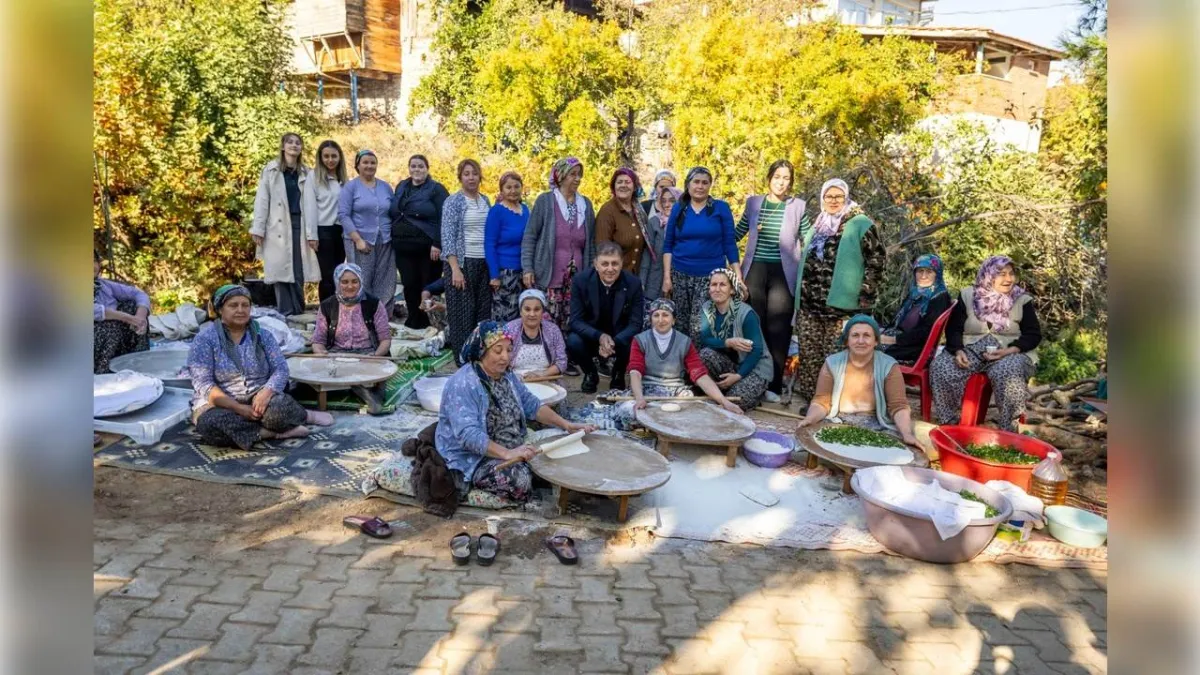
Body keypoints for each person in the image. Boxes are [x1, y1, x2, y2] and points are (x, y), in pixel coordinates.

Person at [435, 321, 595, 502]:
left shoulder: (507, 375)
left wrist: (567, 425)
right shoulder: (464, 384)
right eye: (498, 351)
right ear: (481, 351)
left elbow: (531, 405)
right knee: (521, 481)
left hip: (513, 442)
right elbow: (468, 435)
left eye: (509, 350)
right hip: (476, 456)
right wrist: (507, 454)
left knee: (562, 443)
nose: (505, 357)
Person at [187, 285, 334, 451]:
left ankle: (305, 415)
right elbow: (204, 383)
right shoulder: (205, 339)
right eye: (233, 305)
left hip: (259, 397)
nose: (240, 310)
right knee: (208, 424)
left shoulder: (263, 335)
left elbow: (280, 369)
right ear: (220, 309)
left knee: (279, 408)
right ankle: (271, 433)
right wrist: (238, 408)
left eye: (245, 305)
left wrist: (266, 392)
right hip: (222, 403)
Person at [791, 178, 886, 403]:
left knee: (834, 358)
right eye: (829, 196)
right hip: (809, 305)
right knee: (809, 355)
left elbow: (877, 261)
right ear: (822, 198)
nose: (833, 201)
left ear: (846, 197)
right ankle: (812, 401)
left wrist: (866, 297)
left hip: (840, 308)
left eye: (838, 196)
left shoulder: (860, 223)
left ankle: (832, 403)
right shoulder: (819, 224)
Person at [931, 256, 1041, 431]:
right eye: (1002, 274)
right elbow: (953, 329)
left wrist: (1010, 350)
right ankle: (949, 424)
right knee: (942, 366)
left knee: (1008, 372)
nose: (1008, 279)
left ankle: (1009, 431)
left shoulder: (1022, 300)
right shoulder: (968, 295)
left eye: (1011, 274)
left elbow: (1033, 335)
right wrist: (958, 350)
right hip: (971, 350)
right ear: (988, 275)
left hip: (1011, 353)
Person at [609, 298, 742, 428]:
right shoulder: (640, 340)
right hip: (646, 390)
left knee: (698, 416)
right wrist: (639, 398)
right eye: (656, 315)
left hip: (675, 392)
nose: (661, 320)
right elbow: (635, 372)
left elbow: (699, 375)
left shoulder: (684, 342)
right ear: (650, 319)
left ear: (674, 320)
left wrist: (724, 402)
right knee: (627, 412)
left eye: (666, 315)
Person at [736, 159, 808, 400]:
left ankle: (774, 386)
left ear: (791, 182)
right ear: (769, 178)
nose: (781, 182)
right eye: (777, 176)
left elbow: (810, 239)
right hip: (755, 271)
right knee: (754, 326)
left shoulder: (799, 206)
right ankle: (752, 379)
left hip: (783, 274)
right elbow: (737, 233)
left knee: (778, 331)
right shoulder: (754, 203)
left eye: (786, 178)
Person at [796, 315, 920, 447]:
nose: (861, 341)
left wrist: (907, 434)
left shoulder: (889, 366)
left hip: (876, 424)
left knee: (894, 449)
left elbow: (898, 406)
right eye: (855, 335)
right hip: (836, 422)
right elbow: (821, 402)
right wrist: (810, 419)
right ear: (846, 341)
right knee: (809, 440)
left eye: (867, 335)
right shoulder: (832, 363)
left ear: (876, 341)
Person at [520, 157, 597, 336]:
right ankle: (547, 358)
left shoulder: (585, 204)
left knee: (572, 319)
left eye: (579, 175)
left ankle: (566, 359)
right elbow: (530, 236)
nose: (577, 179)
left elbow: (591, 242)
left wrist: (591, 272)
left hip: (576, 276)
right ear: (561, 176)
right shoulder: (545, 201)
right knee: (547, 321)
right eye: (573, 174)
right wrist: (527, 268)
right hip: (549, 273)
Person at [661, 167, 740, 339]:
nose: (700, 186)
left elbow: (730, 245)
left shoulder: (721, 208)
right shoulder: (678, 209)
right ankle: (681, 364)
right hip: (680, 274)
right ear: (688, 185)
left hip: (709, 277)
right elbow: (668, 246)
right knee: (679, 323)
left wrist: (738, 277)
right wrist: (667, 278)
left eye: (705, 182)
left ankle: (698, 364)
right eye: (696, 182)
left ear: (710, 185)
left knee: (699, 326)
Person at [251, 132, 320, 315]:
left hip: (299, 223)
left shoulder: (307, 173)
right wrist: (258, 228)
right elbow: (262, 200)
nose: (294, 145)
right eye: (290, 142)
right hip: (276, 225)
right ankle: (285, 313)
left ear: (301, 148)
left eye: (298, 143)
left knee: (298, 270)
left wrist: (312, 234)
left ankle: (298, 311)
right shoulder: (271, 170)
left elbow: (312, 205)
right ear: (283, 146)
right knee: (279, 272)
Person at [310, 263, 393, 414]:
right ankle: (358, 387)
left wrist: (375, 356)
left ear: (361, 282)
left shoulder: (374, 304)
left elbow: (385, 339)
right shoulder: (327, 305)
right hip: (337, 356)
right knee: (311, 375)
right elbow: (318, 341)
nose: (350, 286)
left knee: (378, 375)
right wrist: (321, 353)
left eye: (355, 281)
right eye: (345, 282)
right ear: (337, 282)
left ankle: (366, 393)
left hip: (368, 355)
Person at [567, 242, 645, 394]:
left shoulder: (633, 283)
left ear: (622, 263)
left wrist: (613, 342)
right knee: (573, 341)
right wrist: (600, 336)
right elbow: (576, 321)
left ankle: (618, 374)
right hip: (592, 336)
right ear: (596, 264)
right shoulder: (580, 281)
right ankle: (590, 373)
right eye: (605, 264)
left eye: (615, 263)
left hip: (620, 338)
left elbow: (636, 324)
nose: (610, 269)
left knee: (635, 340)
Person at [696, 269, 773, 411]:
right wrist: (727, 342)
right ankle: (721, 392)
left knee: (734, 402)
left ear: (732, 290)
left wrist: (737, 376)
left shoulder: (745, 313)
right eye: (713, 285)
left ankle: (754, 392)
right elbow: (705, 339)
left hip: (754, 368)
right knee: (705, 355)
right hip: (730, 363)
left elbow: (756, 350)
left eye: (722, 285)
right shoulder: (707, 308)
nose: (717, 289)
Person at [441, 159, 493, 365]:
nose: (471, 177)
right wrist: (455, 268)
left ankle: (479, 356)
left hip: (483, 262)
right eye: (466, 174)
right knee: (462, 314)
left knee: (482, 312)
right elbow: (447, 237)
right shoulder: (453, 202)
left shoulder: (486, 201)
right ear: (460, 177)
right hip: (462, 262)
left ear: (480, 176)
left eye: (474, 173)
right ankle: (462, 360)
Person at [390, 154, 449, 330]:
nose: (417, 170)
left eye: (421, 166)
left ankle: (429, 323)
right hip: (403, 247)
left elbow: (444, 217)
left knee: (427, 285)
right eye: (413, 166)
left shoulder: (436, 189)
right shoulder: (402, 186)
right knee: (409, 285)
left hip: (428, 248)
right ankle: (414, 322)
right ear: (409, 168)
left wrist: (438, 243)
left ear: (427, 168)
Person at [338, 149, 396, 316]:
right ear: (358, 165)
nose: (369, 166)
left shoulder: (385, 187)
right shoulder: (351, 187)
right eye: (365, 162)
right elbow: (343, 215)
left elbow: (391, 211)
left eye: (373, 162)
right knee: (362, 279)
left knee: (385, 278)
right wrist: (357, 240)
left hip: (384, 239)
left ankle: (382, 315)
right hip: (360, 240)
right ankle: (362, 315)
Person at [880, 253, 953, 363]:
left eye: (929, 271)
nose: (923, 276)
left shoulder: (939, 297)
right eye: (920, 271)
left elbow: (926, 332)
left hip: (915, 348)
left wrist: (892, 340)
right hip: (901, 339)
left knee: (864, 348)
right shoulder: (915, 293)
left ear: (937, 274)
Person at [93, 251, 150, 373]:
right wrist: (126, 318)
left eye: (92, 261)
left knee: (134, 306)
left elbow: (138, 294)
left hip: (114, 338)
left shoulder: (103, 285)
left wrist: (140, 316)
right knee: (111, 324)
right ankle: (103, 371)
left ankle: (138, 362)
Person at [305, 140, 347, 303]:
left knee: (339, 273)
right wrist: (312, 235)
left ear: (339, 157)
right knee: (327, 275)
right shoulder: (314, 177)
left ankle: (339, 307)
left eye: (334, 156)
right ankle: (327, 311)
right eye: (326, 156)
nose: (330, 160)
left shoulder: (343, 178)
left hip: (341, 231)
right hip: (323, 230)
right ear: (321, 158)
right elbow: (309, 207)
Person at [485, 171, 530, 322]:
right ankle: (500, 346)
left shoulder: (526, 210)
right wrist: (494, 276)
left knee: (522, 316)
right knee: (504, 316)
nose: (513, 190)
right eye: (508, 187)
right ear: (502, 190)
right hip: (505, 274)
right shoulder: (497, 211)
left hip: (524, 272)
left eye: (516, 186)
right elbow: (489, 244)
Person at [595, 168, 654, 276]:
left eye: (627, 182)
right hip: (614, 277)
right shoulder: (608, 211)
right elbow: (602, 248)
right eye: (619, 182)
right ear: (614, 187)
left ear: (634, 187)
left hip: (636, 277)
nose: (623, 185)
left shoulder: (639, 210)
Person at [504, 289, 567, 380]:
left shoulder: (553, 330)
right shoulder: (509, 329)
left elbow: (562, 362)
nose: (532, 314)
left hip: (545, 379)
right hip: (515, 381)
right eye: (527, 309)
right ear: (521, 311)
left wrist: (542, 374)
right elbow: (500, 359)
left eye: (537, 309)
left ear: (542, 312)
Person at [639, 186, 678, 304]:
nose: (667, 204)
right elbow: (647, 255)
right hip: (655, 282)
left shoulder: (686, 224)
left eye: (672, 200)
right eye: (663, 201)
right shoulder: (654, 222)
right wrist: (642, 282)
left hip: (679, 284)